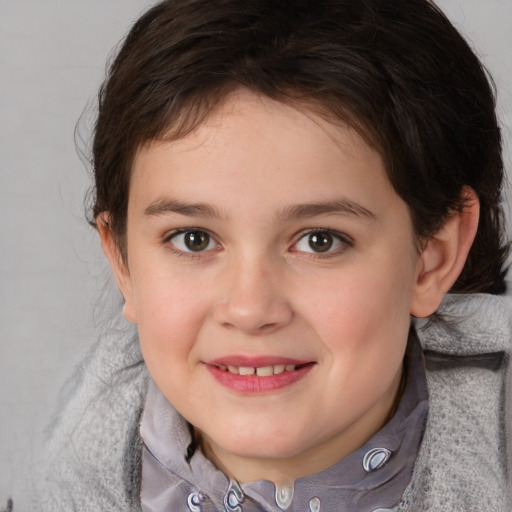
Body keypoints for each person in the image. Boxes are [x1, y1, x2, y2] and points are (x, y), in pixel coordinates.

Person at [15, 0, 511, 510]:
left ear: (431, 257)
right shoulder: (65, 455)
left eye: (320, 240)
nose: (250, 309)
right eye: (194, 239)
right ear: (123, 262)